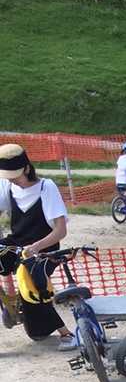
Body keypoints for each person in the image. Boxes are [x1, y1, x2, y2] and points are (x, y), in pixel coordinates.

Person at [0, 143, 77, 346]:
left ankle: (66, 333)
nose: (11, 180)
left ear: (26, 168)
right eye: (8, 176)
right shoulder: (7, 185)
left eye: (14, 176)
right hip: (17, 243)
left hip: (46, 248)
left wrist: (35, 247)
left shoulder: (46, 187)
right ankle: (9, 306)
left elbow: (60, 231)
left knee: (30, 279)